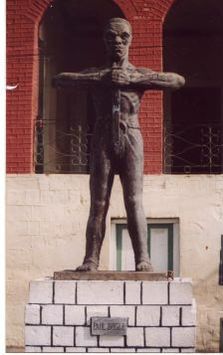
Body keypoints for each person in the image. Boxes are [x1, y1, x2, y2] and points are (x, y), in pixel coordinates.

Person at [53, 17, 185, 272]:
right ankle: (91, 259)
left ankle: (142, 259)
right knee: (98, 202)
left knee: (134, 200)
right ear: (104, 40)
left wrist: (131, 80)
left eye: (123, 37)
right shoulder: (95, 74)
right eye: (112, 36)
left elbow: (177, 81)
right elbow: (60, 79)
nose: (118, 41)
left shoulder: (138, 74)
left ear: (130, 40)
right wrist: (103, 78)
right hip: (102, 136)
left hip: (131, 135)